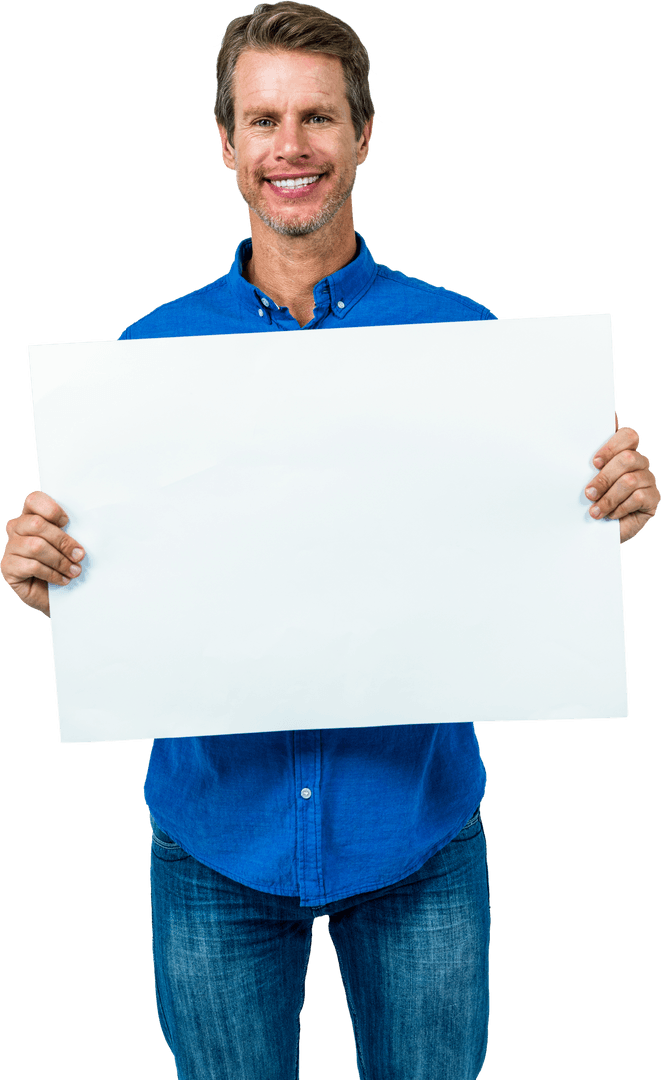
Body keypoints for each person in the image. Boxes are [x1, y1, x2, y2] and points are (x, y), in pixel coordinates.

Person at [1, 4, 659, 1079]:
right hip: (216, 841)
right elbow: (124, 582)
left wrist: (600, 508)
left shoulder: (470, 348)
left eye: (317, 116)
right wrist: (59, 580)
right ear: (226, 144)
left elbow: (522, 545)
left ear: (363, 134)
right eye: (263, 120)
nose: (290, 145)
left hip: (415, 836)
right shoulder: (142, 363)